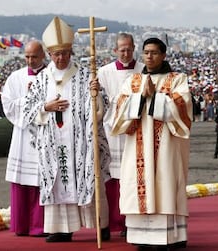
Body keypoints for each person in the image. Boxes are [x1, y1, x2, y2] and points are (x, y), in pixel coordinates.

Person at [23, 16, 111, 243]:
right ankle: (61, 228)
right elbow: (28, 110)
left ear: (71, 52)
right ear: (49, 55)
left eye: (65, 53)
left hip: (81, 141)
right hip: (53, 141)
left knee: (88, 175)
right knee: (57, 178)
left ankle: (100, 225)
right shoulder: (42, 79)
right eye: (56, 54)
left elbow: (101, 109)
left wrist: (96, 94)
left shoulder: (84, 75)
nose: (61, 58)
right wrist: (46, 106)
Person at [111, 37, 192, 250]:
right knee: (139, 185)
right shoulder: (133, 81)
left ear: (163, 55)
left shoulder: (177, 79)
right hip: (137, 145)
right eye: (146, 52)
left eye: (154, 52)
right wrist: (139, 97)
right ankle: (141, 237)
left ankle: (169, 237)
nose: (149, 56)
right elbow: (119, 108)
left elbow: (182, 105)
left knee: (165, 182)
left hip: (166, 146)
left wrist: (154, 96)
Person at [97, 32, 144, 236]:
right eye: (121, 49)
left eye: (129, 49)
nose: (125, 53)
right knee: (111, 176)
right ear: (114, 50)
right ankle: (110, 221)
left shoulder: (143, 70)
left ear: (134, 48)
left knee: (133, 176)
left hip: (135, 129)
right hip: (111, 130)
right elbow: (99, 101)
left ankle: (130, 221)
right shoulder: (104, 72)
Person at [1, 40, 47, 237]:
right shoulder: (16, 77)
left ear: (43, 55)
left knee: (42, 179)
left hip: (46, 133)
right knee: (22, 180)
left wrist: (40, 105)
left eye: (34, 56)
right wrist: (29, 100)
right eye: (27, 57)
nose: (30, 60)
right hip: (23, 133)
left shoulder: (52, 75)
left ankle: (41, 225)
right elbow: (8, 106)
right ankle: (21, 225)